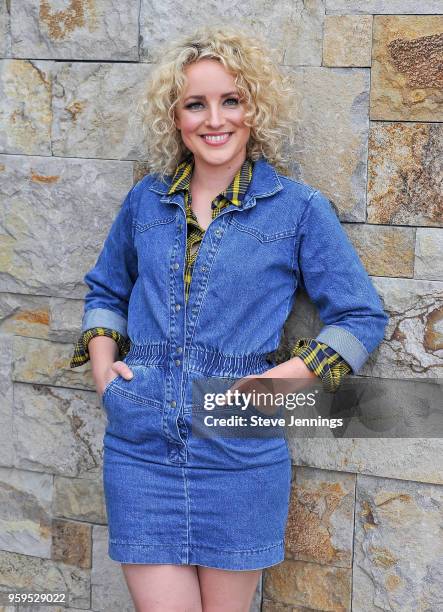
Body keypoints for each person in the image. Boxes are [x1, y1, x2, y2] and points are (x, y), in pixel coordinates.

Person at [70, 24, 388, 612]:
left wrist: (283, 380)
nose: (214, 119)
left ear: (254, 110)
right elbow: (105, 288)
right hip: (141, 449)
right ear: (176, 116)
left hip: (240, 451)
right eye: (196, 103)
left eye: (230, 100)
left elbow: (361, 314)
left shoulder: (298, 209)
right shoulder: (146, 199)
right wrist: (104, 369)